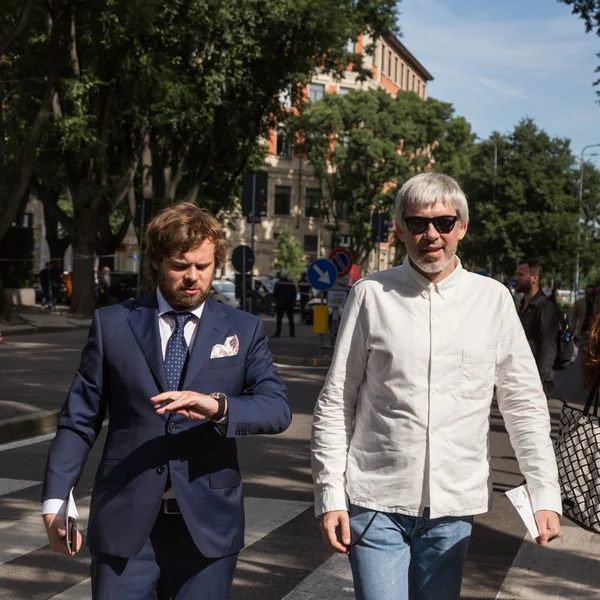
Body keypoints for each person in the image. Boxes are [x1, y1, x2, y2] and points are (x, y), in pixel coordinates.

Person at [311, 172, 561, 600]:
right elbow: (337, 400)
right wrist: (330, 494)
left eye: (444, 223)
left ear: (462, 227)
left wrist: (544, 493)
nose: (432, 235)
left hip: (454, 505)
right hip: (376, 500)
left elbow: (523, 404)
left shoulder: (493, 300)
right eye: (417, 223)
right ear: (400, 229)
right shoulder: (371, 295)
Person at [41, 203, 291, 599]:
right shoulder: (112, 324)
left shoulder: (244, 329)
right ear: (156, 262)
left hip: (207, 529)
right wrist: (56, 500)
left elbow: (277, 408)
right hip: (124, 524)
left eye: (204, 266)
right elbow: (78, 420)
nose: (193, 277)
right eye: (180, 265)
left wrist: (219, 407)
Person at [514, 259, 560, 398]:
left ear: (535, 278)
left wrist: (538, 381)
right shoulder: (523, 305)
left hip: (536, 381)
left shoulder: (546, 308)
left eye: (520, 275)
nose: (516, 278)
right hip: (521, 377)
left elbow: (548, 348)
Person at [273, 269, 297, 338]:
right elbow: (294, 293)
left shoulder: (278, 283)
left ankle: (278, 333)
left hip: (280, 304)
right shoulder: (291, 283)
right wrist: (293, 302)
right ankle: (292, 333)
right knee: (290, 319)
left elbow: (275, 293)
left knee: (279, 319)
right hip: (289, 304)